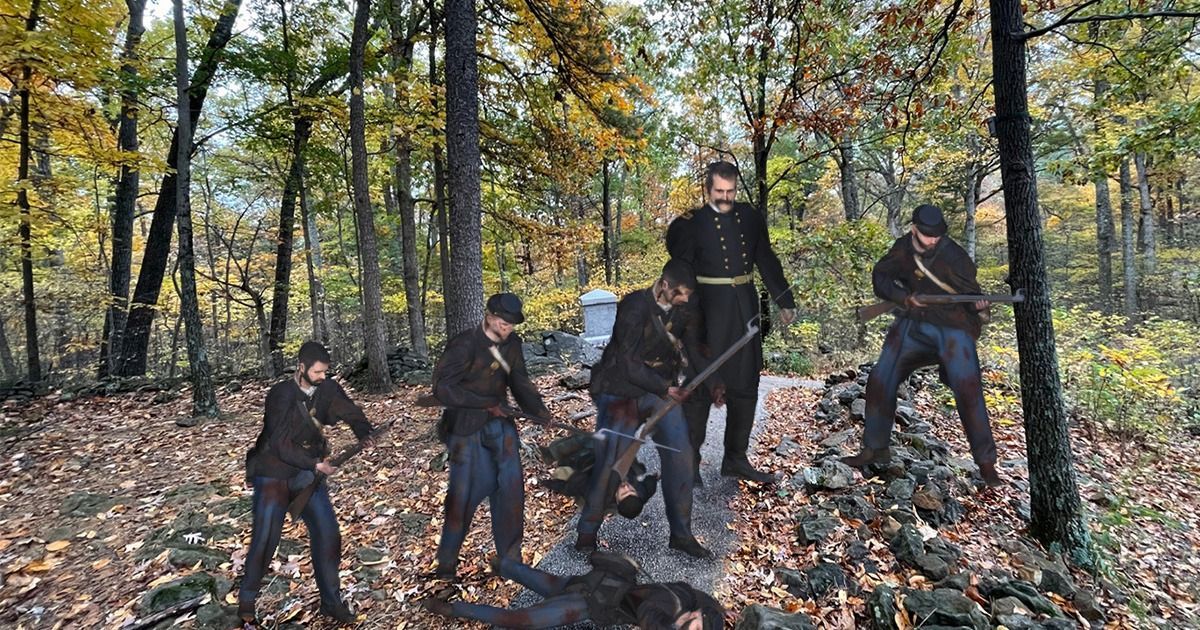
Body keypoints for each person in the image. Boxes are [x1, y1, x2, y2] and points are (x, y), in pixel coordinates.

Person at [841, 204, 1002, 487]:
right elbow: (881, 277)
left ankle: (987, 463)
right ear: (915, 229)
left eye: (936, 235)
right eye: (927, 234)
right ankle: (874, 449)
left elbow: (973, 296)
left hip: (952, 328)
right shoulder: (902, 248)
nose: (932, 239)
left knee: (968, 385)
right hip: (913, 326)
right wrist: (904, 297)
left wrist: (980, 307)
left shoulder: (955, 256)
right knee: (880, 379)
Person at [577, 259, 719, 559]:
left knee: (682, 454)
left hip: (658, 390)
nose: (684, 300)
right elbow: (627, 362)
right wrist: (664, 388)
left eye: (688, 295)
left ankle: (681, 534)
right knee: (611, 462)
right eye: (679, 293)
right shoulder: (633, 306)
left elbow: (694, 347)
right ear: (664, 285)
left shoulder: (685, 307)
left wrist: (713, 383)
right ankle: (587, 531)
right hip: (619, 388)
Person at [666, 161, 796, 484]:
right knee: (698, 387)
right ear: (707, 189)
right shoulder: (690, 225)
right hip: (706, 313)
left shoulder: (750, 219)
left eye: (731, 192)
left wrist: (784, 299)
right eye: (719, 192)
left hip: (743, 309)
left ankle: (735, 458)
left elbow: (765, 257)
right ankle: (690, 462)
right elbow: (679, 272)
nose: (725, 198)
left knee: (746, 385)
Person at [238, 341, 376, 624]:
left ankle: (331, 602)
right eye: (317, 372)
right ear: (301, 367)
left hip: (307, 474)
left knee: (328, 534)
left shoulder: (326, 388)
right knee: (265, 540)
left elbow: (349, 411)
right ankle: (247, 602)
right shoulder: (279, 394)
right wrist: (315, 464)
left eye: (325, 371)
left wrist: (366, 433)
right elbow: (278, 442)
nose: (323, 377)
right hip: (273, 472)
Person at [429, 293, 551, 579]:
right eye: (503, 322)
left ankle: (511, 561)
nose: (507, 327)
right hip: (465, 429)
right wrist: (483, 403)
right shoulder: (463, 345)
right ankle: (447, 564)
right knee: (463, 496)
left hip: (501, 426)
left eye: (511, 324)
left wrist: (538, 410)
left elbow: (519, 381)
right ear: (489, 316)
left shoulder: (512, 346)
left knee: (510, 490)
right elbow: (442, 388)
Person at [421, 551, 725, 629]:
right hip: (588, 601)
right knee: (518, 620)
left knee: (542, 581)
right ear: (695, 613)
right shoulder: (669, 606)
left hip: (594, 583)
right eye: (695, 628)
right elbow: (650, 615)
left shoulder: (686, 596)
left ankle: (501, 565)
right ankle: (452, 608)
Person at [539, 431, 660, 520]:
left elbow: (576, 484)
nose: (626, 486)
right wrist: (654, 477)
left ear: (617, 500)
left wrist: (547, 483)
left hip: (583, 477)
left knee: (583, 442)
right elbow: (649, 486)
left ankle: (550, 454)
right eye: (631, 490)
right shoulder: (642, 492)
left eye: (624, 492)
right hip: (604, 470)